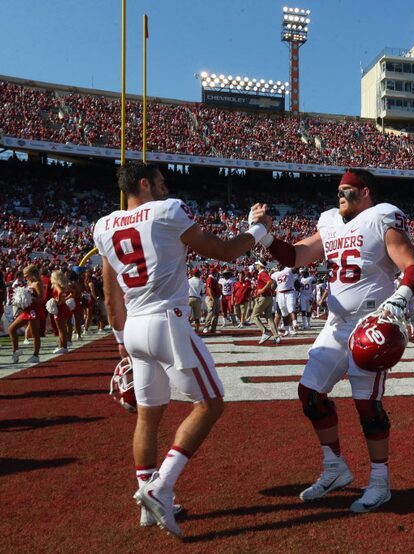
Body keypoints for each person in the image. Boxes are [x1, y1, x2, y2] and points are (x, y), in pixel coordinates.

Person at [93, 161, 271, 537]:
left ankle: (146, 493)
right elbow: (223, 251)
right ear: (145, 183)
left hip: (135, 328)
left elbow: (111, 296)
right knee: (210, 403)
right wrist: (256, 230)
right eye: (160, 180)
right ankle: (160, 487)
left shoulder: (103, 225)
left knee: (147, 416)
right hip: (167, 321)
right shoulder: (167, 209)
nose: (165, 186)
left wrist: (121, 342)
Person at [262, 168, 414, 513]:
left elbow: (412, 265)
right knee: (310, 394)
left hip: (370, 323)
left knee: (367, 405)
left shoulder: (382, 217)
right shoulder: (330, 222)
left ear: (365, 192)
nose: (340, 196)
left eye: (347, 191)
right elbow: (296, 255)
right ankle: (335, 466)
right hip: (336, 324)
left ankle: (380, 482)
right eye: (338, 191)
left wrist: (402, 295)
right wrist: (265, 237)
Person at [8, 264, 44, 364]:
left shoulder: (37, 283)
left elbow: (41, 299)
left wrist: (29, 299)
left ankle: (35, 355)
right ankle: (16, 351)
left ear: (32, 274)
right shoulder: (28, 282)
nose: (24, 276)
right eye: (24, 274)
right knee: (11, 329)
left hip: (34, 311)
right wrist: (21, 301)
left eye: (26, 274)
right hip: (26, 310)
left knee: (35, 334)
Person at [251, 261, 281, 344]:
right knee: (269, 317)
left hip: (263, 297)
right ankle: (276, 336)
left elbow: (270, 282)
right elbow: (273, 282)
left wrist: (262, 290)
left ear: (260, 265)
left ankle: (265, 332)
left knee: (254, 316)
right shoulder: (264, 273)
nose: (256, 266)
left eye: (257, 264)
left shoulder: (262, 273)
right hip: (268, 297)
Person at [187, 268, 203, 332]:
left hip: (189, 298)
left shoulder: (188, 280)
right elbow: (203, 291)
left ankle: (187, 330)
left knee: (187, 316)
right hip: (197, 298)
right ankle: (196, 330)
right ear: (197, 273)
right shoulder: (200, 281)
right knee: (197, 317)